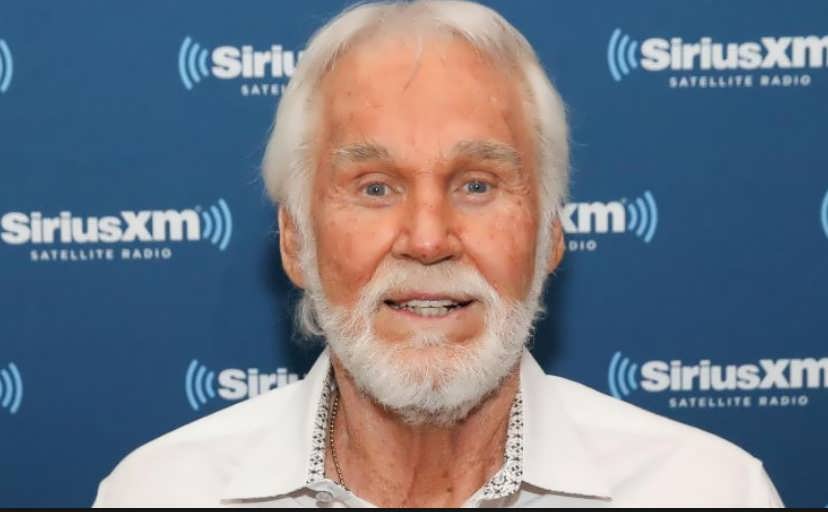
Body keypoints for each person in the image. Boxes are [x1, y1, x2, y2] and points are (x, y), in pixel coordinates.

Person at [93, 0, 783, 507]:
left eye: (478, 185)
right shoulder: (161, 493)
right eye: (375, 187)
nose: (427, 240)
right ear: (296, 241)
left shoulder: (706, 491)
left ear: (550, 234)